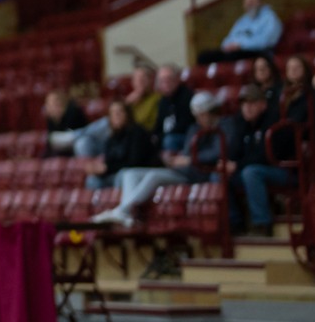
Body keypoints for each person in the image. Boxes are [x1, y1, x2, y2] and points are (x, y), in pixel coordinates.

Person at [91, 92, 225, 229]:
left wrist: (190, 160)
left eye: (203, 114)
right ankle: (126, 214)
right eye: (197, 115)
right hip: (179, 170)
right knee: (129, 173)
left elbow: (218, 151)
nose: (200, 118)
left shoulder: (223, 127)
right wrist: (176, 160)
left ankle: (123, 210)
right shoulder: (193, 128)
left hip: (196, 173)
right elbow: (186, 152)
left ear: (212, 112)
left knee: (153, 175)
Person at [221, 85, 293, 236]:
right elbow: (235, 151)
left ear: (263, 104)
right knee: (219, 175)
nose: (247, 108)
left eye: (252, 103)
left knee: (250, 172)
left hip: (282, 170)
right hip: (253, 169)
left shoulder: (275, 121)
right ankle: (235, 222)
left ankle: (263, 223)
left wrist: (237, 165)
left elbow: (268, 156)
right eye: (244, 104)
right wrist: (227, 163)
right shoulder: (241, 123)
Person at [72, 67, 160, 159]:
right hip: (116, 136)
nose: (140, 81)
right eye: (136, 78)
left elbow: (137, 124)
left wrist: (125, 109)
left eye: (143, 78)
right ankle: (91, 169)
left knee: (107, 121)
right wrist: (128, 102)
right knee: (82, 142)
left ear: (150, 80)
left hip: (133, 137)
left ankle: (72, 136)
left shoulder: (157, 99)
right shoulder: (131, 99)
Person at [83, 101, 160, 191]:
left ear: (127, 114)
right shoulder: (110, 139)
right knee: (92, 180)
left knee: (122, 176)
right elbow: (109, 162)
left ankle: (122, 204)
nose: (116, 116)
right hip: (116, 173)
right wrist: (98, 169)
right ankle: (102, 204)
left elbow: (134, 163)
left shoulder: (137, 133)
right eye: (113, 113)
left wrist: (107, 168)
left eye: (120, 112)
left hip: (140, 173)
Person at [195, 0, 282, 64]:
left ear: (261, 1)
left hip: (257, 52)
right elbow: (229, 38)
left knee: (231, 57)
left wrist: (241, 45)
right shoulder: (242, 20)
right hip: (236, 51)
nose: (250, 1)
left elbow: (266, 41)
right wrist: (227, 46)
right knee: (204, 57)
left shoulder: (269, 17)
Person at [154, 63, 195, 154]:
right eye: (162, 81)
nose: (165, 84)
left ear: (177, 79)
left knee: (169, 140)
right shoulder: (163, 100)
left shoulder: (186, 96)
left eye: (168, 79)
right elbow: (159, 124)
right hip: (166, 135)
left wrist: (161, 136)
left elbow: (185, 125)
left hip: (184, 136)